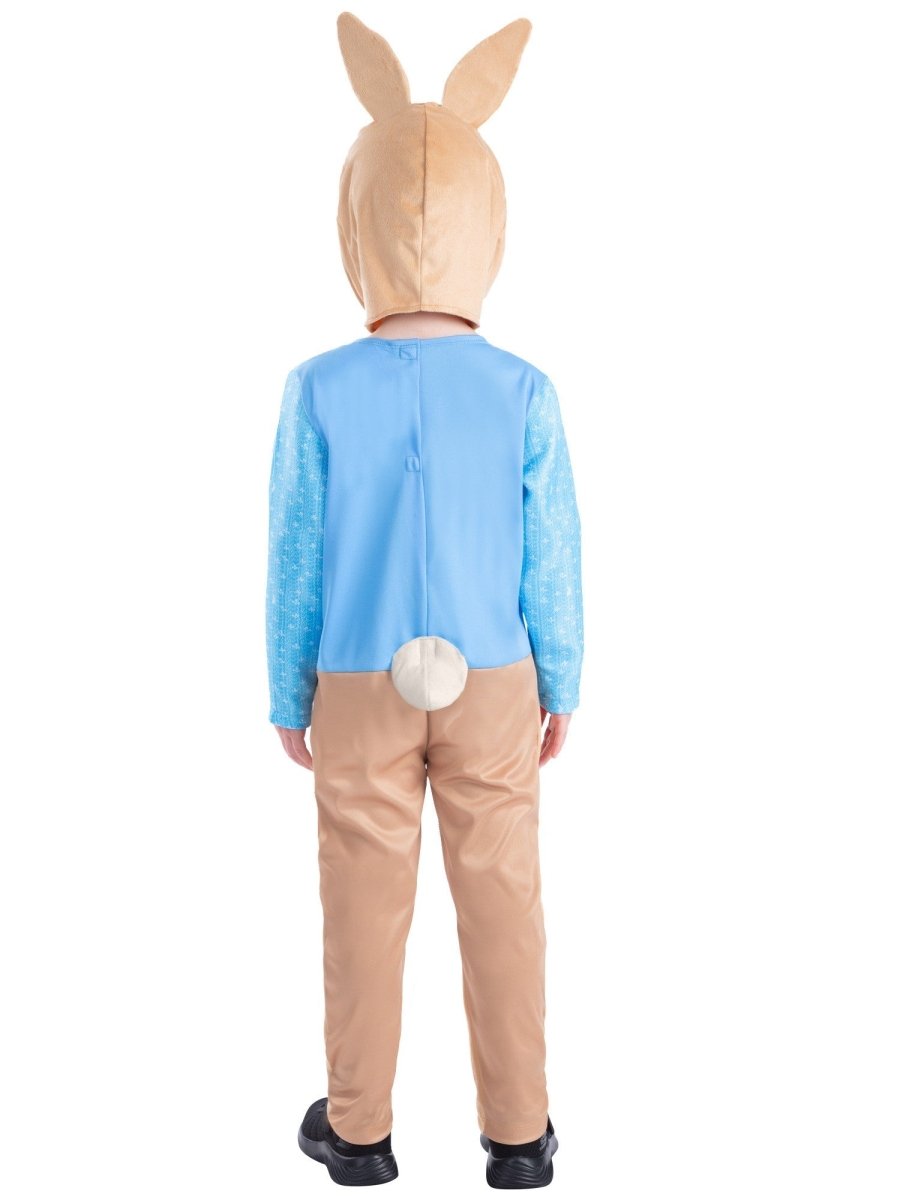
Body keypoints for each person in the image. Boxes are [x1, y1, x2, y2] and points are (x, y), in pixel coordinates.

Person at [266, 12, 583, 1188]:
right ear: (490, 225)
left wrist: (285, 688)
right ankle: (519, 1135)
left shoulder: (316, 387)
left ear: (354, 225)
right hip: (496, 674)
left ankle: (358, 1132)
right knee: (504, 895)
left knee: (361, 900)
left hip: (356, 677)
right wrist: (563, 677)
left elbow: (296, 552)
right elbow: (553, 553)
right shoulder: (524, 390)